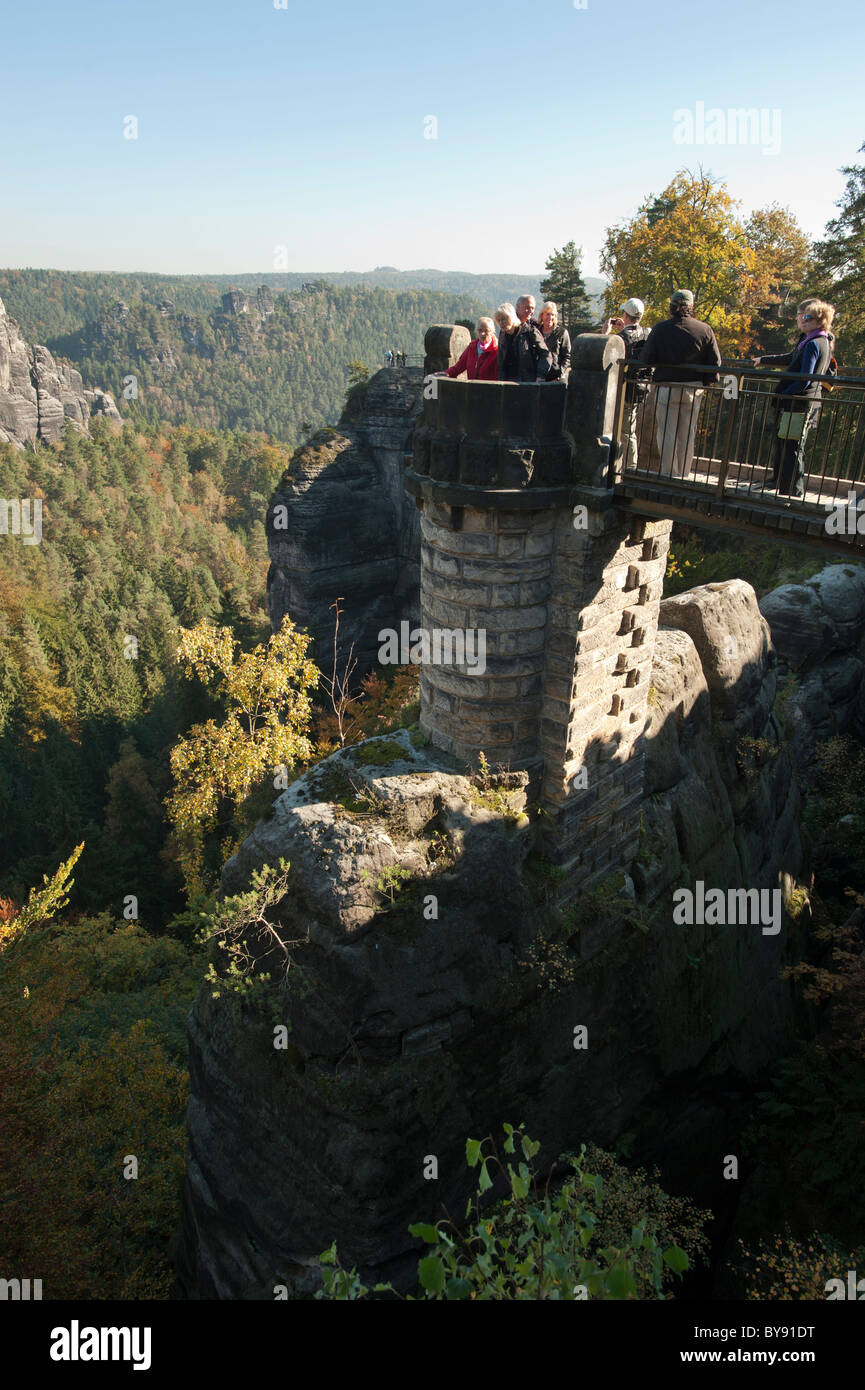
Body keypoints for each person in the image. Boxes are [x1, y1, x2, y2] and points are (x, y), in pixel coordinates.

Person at [752, 299, 836, 499]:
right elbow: (795, 362)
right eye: (803, 316)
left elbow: (805, 378)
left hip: (799, 403)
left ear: (820, 321)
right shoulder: (817, 341)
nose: (803, 321)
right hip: (803, 401)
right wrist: (763, 360)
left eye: (808, 318)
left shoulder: (814, 344)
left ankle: (792, 490)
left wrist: (784, 394)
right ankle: (788, 487)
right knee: (791, 444)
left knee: (792, 446)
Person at [640, 289, 721, 480]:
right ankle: (683, 474)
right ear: (691, 307)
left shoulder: (661, 329)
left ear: (672, 306)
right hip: (693, 388)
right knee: (688, 433)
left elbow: (647, 358)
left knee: (667, 433)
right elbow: (714, 363)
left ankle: (669, 473)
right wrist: (706, 381)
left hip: (667, 387)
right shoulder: (704, 329)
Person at [604, 297, 649, 467]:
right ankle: (627, 466)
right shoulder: (647, 333)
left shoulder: (621, 338)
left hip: (623, 389)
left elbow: (603, 354)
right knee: (629, 428)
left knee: (625, 431)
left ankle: (629, 467)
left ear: (626, 315)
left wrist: (606, 334)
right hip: (639, 387)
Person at [495, 302, 552, 383]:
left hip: (528, 382)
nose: (501, 323)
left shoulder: (530, 331)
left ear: (512, 317)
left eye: (504, 319)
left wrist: (541, 376)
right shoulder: (502, 335)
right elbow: (500, 362)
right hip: (507, 383)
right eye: (499, 320)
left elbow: (546, 354)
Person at [537, 302, 571, 381]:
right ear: (542, 315)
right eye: (547, 314)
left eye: (552, 314)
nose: (550, 317)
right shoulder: (536, 332)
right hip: (538, 377)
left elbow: (568, 356)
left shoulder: (562, 332)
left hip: (556, 378)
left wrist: (560, 373)